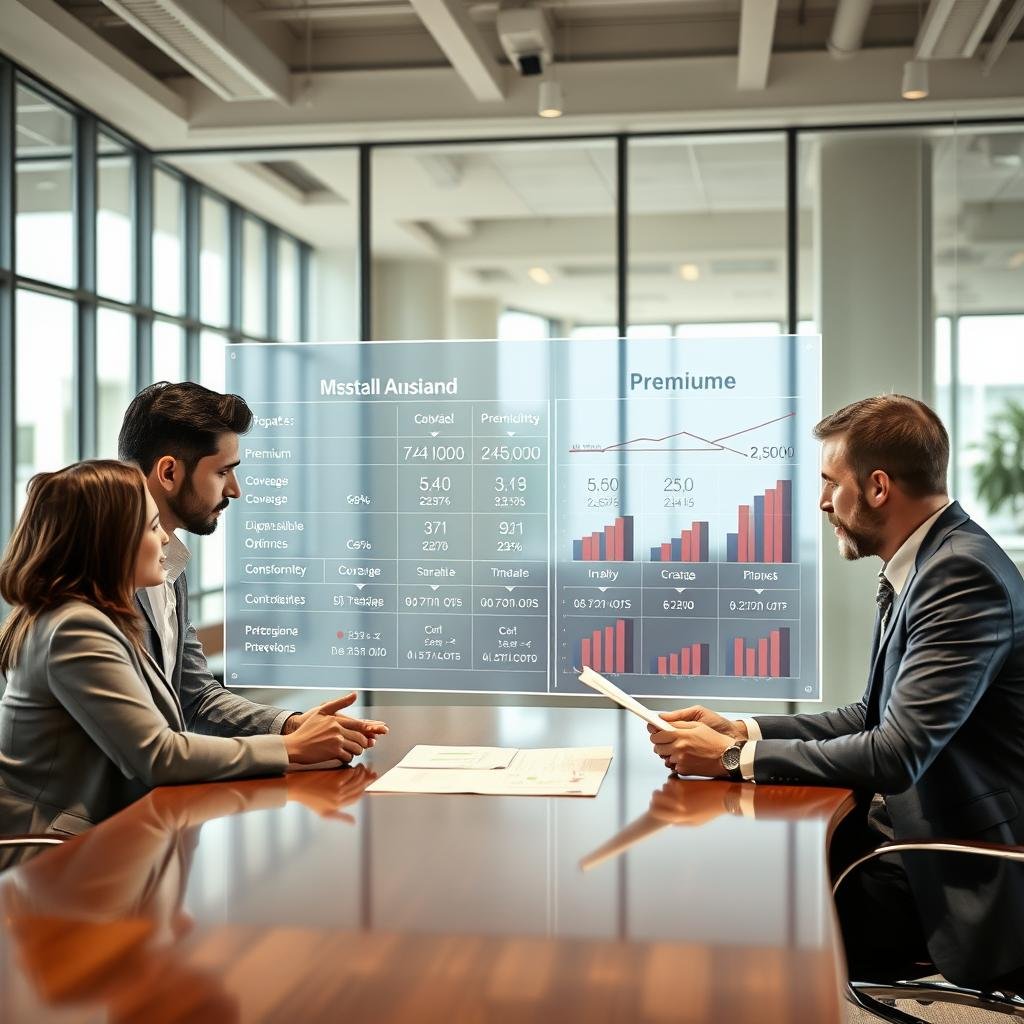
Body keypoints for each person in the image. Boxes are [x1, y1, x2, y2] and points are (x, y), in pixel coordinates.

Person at [647, 394, 1024, 989]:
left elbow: (896, 753)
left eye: (830, 482)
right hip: (906, 834)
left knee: (734, 905)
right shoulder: (928, 563)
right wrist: (741, 730)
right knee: (742, 867)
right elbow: (871, 716)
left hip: (950, 871)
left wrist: (732, 759)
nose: (823, 501)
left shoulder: (959, 575)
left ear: (877, 487)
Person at [0, 461, 367, 833]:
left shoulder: (96, 617)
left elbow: (189, 707)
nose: (164, 538)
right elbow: (159, 755)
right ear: (110, 541)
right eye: (152, 526)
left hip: (100, 837)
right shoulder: (76, 627)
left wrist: (292, 729)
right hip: (52, 850)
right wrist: (292, 747)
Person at [117, 381, 385, 749]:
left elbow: (195, 697)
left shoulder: (171, 565)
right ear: (169, 473)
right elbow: (144, 747)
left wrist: (293, 725)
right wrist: (290, 748)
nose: (235, 490)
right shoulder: (96, 575)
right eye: (222, 472)